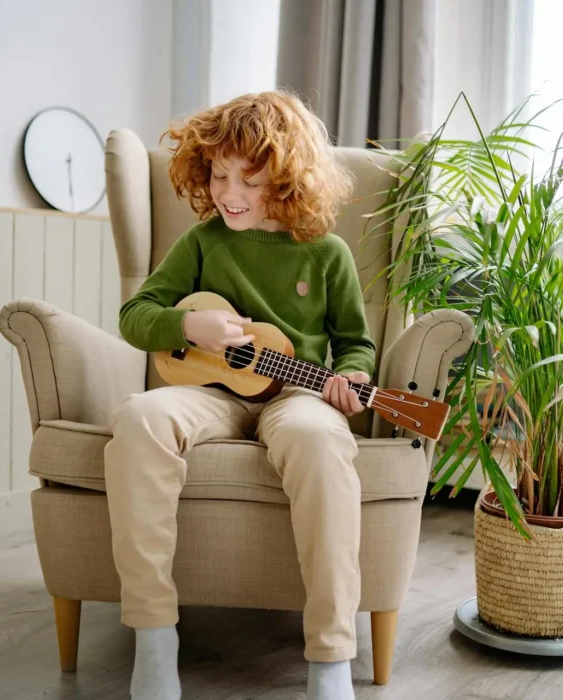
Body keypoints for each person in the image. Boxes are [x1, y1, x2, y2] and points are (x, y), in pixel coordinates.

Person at [103, 90, 376, 700]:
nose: (229, 194)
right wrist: (185, 326)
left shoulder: (327, 254)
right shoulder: (204, 242)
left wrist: (353, 378)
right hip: (210, 391)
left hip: (295, 395)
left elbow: (355, 344)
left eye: (248, 181)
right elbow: (134, 316)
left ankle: (330, 656)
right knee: (142, 416)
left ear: (286, 179)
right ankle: (154, 636)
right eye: (220, 175)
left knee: (316, 437)